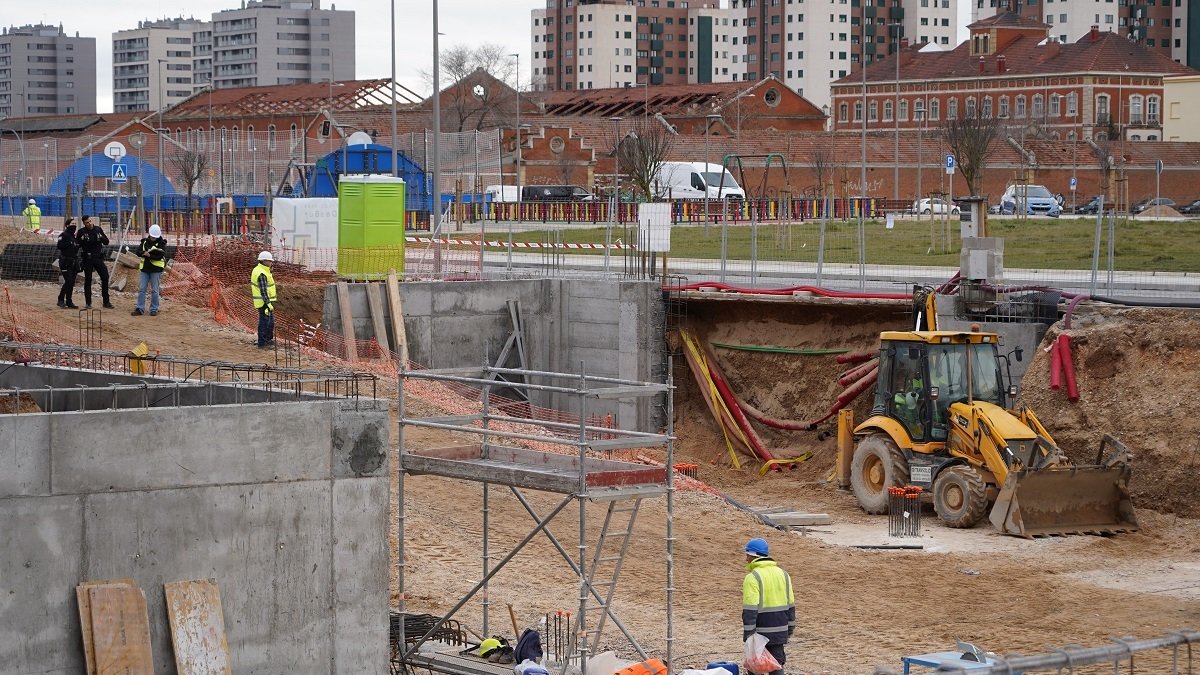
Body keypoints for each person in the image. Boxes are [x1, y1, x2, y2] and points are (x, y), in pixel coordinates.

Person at [742, 538, 794, 675]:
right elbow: (791, 604)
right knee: (776, 665)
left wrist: (748, 634)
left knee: (754, 666)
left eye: (747, 554)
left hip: (760, 631)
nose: (746, 558)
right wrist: (790, 628)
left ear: (754, 555)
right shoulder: (784, 574)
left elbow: (750, 610)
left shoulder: (753, 577)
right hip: (780, 628)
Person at [75, 215, 114, 309]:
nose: (89, 224)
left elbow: (106, 242)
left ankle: (106, 301)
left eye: (90, 221)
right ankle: (88, 302)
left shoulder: (98, 229)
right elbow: (76, 245)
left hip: (98, 258)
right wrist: (81, 240)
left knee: (105, 277)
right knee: (88, 280)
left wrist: (100, 237)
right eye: (86, 223)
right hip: (88, 258)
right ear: (84, 223)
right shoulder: (81, 232)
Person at [132, 224, 168, 316]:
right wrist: (143, 253)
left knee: (155, 290)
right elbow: (138, 252)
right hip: (145, 269)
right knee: (142, 289)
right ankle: (140, 308)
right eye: (152, 236)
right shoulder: (144, 242)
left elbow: (160, 255)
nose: (153, 238)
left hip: (156, 270)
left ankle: (154, 309)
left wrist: (150, 255)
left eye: (154, 237)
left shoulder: (161, 243)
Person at [250, 250, 277, 348]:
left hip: (264, 301)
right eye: (270, 261)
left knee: (270, 322)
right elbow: (263, 290)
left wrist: (270, 271)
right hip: (264, 302)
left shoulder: (261, 270)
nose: (271, 263)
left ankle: (267, 340)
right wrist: (267, 303)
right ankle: (262, 342)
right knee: (264, 323)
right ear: (264, 261)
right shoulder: (261, 273)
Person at [56, 219, 80, 309]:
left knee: (72, 282)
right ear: (67, 225)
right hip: (65, 262)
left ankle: (69, 301)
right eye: (72, 224)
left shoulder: (74, 237)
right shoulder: (64, 235)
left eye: (75, 224)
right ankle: (60, 300)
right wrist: (69, 243)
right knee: (68, 281)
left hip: (73, 262)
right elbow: (59, 246)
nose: (74, 225)